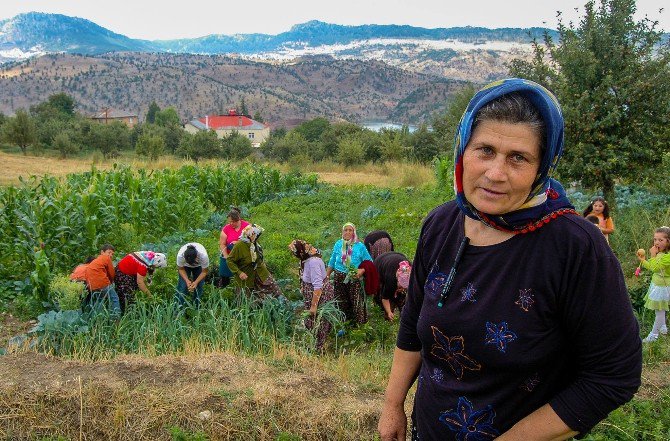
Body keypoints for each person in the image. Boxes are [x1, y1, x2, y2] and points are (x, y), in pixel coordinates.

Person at [378, 78, 641, 441]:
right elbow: (414, 320)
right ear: (462, 150)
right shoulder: (442, 224)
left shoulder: (575, 247)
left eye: (518, 158)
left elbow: (613, 376)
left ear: (541, 167)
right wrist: (393, 405)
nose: (496, 173)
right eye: (485, 150)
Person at [289, 239, 335, 351]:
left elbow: (318, 286)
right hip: (314, 295)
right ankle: (318, 344)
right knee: (315, 321)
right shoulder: (307, 259)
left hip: (319, 296)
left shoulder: (313, 262)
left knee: (319, 320)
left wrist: (314, 306)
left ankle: (320, 347)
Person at [326, 222, 373, 324]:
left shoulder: (359, 246)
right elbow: (332, 260)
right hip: (339, 277)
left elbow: (369, 262)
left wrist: (361, 270)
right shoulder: (338, 244)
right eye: (345, 230)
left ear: (354, 232)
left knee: (356, 302)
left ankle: (360, 324)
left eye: (350, 230)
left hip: (354, 278)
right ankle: (345, 323)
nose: (347, 232)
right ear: (342, 232)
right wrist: (327, 275)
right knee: (341, 301)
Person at [227, 224, 283, 300]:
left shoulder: (254, 243)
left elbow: (259, 258)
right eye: (256, 235)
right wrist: (239, 272)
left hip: (260, 273)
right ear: (250, 235)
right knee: (247, 300)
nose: (257, 237)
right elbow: (230, 260)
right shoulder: (239, 246)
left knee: (275, 292)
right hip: (246, 277)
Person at [637, 226, 670, 343]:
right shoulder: (661, 254)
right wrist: (643, 260)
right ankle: (663, 329)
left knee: (659, 311)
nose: (656, 242)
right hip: (657, 285)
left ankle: (653, 335)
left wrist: (652, 255)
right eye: (655, 239)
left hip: (662, 287)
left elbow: (656, 267)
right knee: (660, 310)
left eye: (661, 240)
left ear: (668, 241)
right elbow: (652, 267)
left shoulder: (668, 257)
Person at [373, 251, 411, 321]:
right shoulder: (391, 280)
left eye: (404, 287)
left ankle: (400, 306)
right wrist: (389, 312)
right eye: (400, 287)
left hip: (397, 255)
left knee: (401, 295)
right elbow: (385, 298)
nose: (402, 289)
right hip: (379, 262)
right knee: (382, 290)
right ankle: (379, 304)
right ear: (397, 279)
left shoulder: (411, 272)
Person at [84, 244, 121, 317]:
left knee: (99, 301)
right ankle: (116, 319)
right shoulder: (106, 258)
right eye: (109, 252)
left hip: (92, 285)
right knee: (115, 298)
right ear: (102, 252)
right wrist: (111, 282)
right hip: (102, 283)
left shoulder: (95, 261)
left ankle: (97, 321)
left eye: (112, 254)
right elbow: (112, 273)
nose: (110, 255)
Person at [218, 207, 250, 288]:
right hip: (231, 256)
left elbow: (253, 241)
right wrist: (226, 256)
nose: (231, 223)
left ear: (238, 219)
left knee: (243, 276)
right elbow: (222, 244)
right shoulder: (226, 229)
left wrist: (239, 243)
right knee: (226, 277)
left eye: (233, 222)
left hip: (244, 257)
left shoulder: (247, 226)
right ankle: (225, 291)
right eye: (229, 222)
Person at [176, 242, 209, 308]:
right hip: (185, 267)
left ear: (197, 257)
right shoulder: (180, 256)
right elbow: (181, 269)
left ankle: (196, 307)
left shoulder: (203, 255)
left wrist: (196, 282)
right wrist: (187, 280)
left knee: (199, 286)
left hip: (199, 266)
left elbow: (204, 272)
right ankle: (179, 308)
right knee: (183, 286)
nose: (191, 264)